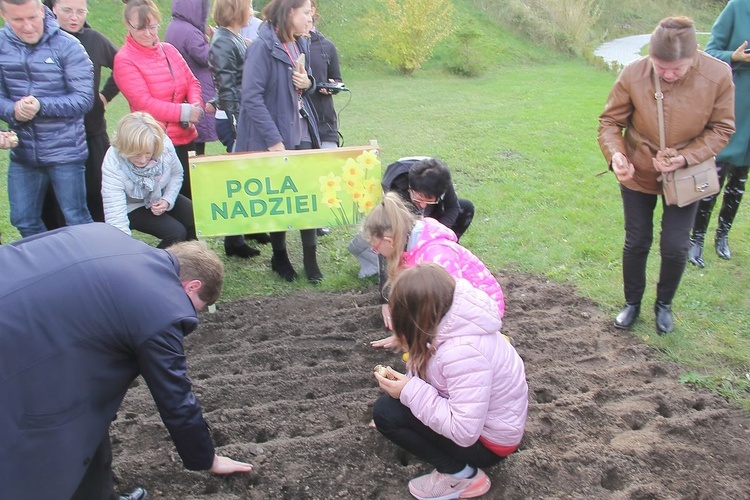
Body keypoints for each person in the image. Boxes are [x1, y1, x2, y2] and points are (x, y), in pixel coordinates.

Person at [0, 223, 254, 499]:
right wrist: (207, 458)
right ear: (192, 286)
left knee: (88, 411)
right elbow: (175, 397)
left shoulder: (105, 234)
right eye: (196, 307)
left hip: (21, 305)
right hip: (15, 347)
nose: (189, 315)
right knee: (44, 429)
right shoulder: (161, 306)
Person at [597, 16, 735, 335]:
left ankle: (664, 305)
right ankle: (632, 303)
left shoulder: (718, 74)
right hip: (638, 171)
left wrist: (686, 157)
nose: (668, 75)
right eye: (661, 69)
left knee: (675, 247)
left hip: (687, 175)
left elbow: (723, 128)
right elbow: (609, 123)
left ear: (694, 56)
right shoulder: (634, 73)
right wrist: (616, 155)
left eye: (677, 69)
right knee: (637, 241)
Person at [372, 263, 528, 500]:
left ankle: (461, 475)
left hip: (489, 443)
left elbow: (464, 431)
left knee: (386, 412)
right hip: (492, 426)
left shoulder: (462, 353)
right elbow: (437, 374)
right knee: (395, 407)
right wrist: (410, 347)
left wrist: (408, 391)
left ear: (416, 319)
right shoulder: (451, 323)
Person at [235, 0, 323, 283]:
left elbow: (302, 83)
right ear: (289, 13)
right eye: (306, 12)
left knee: (306, 196)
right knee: (281, 199)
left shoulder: (298, 43)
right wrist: (273, 140)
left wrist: (306, 83)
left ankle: (311, 260)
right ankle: (280, 256)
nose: (311, 17)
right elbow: (250, 97)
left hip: (300, 131)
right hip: (275, 137)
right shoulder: (261, 47)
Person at [0, 0, 94, 238]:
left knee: (76, 218)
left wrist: (41, 105)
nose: (28, 26)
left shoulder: (69, 46)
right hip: (23, 151)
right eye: (18, 20)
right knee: (23, 218)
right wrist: (13, 110)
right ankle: (49, 265)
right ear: (4, 16)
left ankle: (91, 270)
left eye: (32, 17)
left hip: (66, 151)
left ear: (43, 10)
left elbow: (84, 99)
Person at [365, 192, 504, 335]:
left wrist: (419, 340)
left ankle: (493, 342)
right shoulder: (409, 247)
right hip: (455, 308)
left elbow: (453, 305)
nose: (378, 252)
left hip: (482, 313)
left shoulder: (436, 255)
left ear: (389, 241)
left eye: (376, 248)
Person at [39, 0, 120, 228]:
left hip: (91, 131)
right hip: (54, 136)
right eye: (67, 11)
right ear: (53, 9)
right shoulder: (42, 41)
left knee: (97, 193)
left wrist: (105, 95)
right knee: (56, 200)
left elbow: (123, 64)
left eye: (80, 12)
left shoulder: (94, 39)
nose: (74, 17)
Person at [113, 0, 204, 200]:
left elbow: (192, 82)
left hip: (186, 136)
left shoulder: (169, 50)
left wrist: (196, 105)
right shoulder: (124, 59)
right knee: (171, 199)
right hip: (156, 144)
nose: (148, 33)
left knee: (194, 197)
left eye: (152, 27)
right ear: (128, 25)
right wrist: (185, 112)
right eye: (140, 28)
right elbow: (144, 103)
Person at [688, 0, 750, 268]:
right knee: (715, 174)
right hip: (733, 105)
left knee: (740, 179)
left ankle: (722, 236)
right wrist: (735, 57)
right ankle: (696, 238)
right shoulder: (737, 7)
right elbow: (710, 52)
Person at [101, 112, 196, 249]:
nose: (142, 160)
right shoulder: (113, 163)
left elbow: (177, 174)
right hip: (133, 206)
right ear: (125, 148)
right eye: (136, 154)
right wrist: (123, 251)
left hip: (159, 195)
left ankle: (190, 263)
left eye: (147, 153)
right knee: (176, 233)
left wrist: (168, 199)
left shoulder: (164, 145)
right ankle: (153, 266)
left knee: (194, 218)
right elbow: (115, 216)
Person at [164, 0, 218, 157]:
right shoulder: (191, 31)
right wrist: (215, 41)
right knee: (197, 143)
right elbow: (207, 57)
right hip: (197, 89)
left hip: (181, 90)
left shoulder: (173, 26)